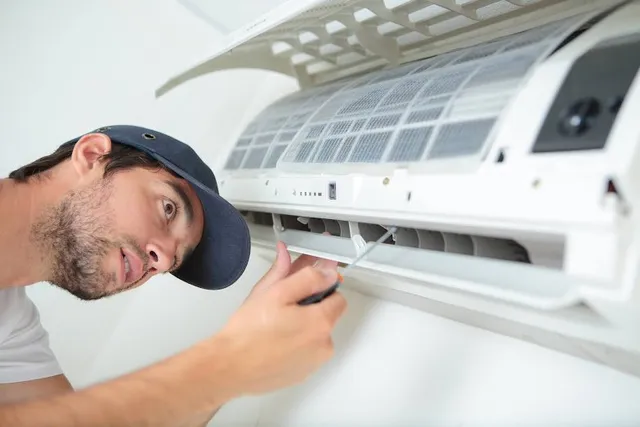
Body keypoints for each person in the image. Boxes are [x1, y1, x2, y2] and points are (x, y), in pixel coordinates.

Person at [0, 125, 347, 426]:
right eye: (168, 208)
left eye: (175, 261)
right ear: (91, 155)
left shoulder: (11, 328)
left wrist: (249, 344)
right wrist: (230, 362)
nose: (162, 262)